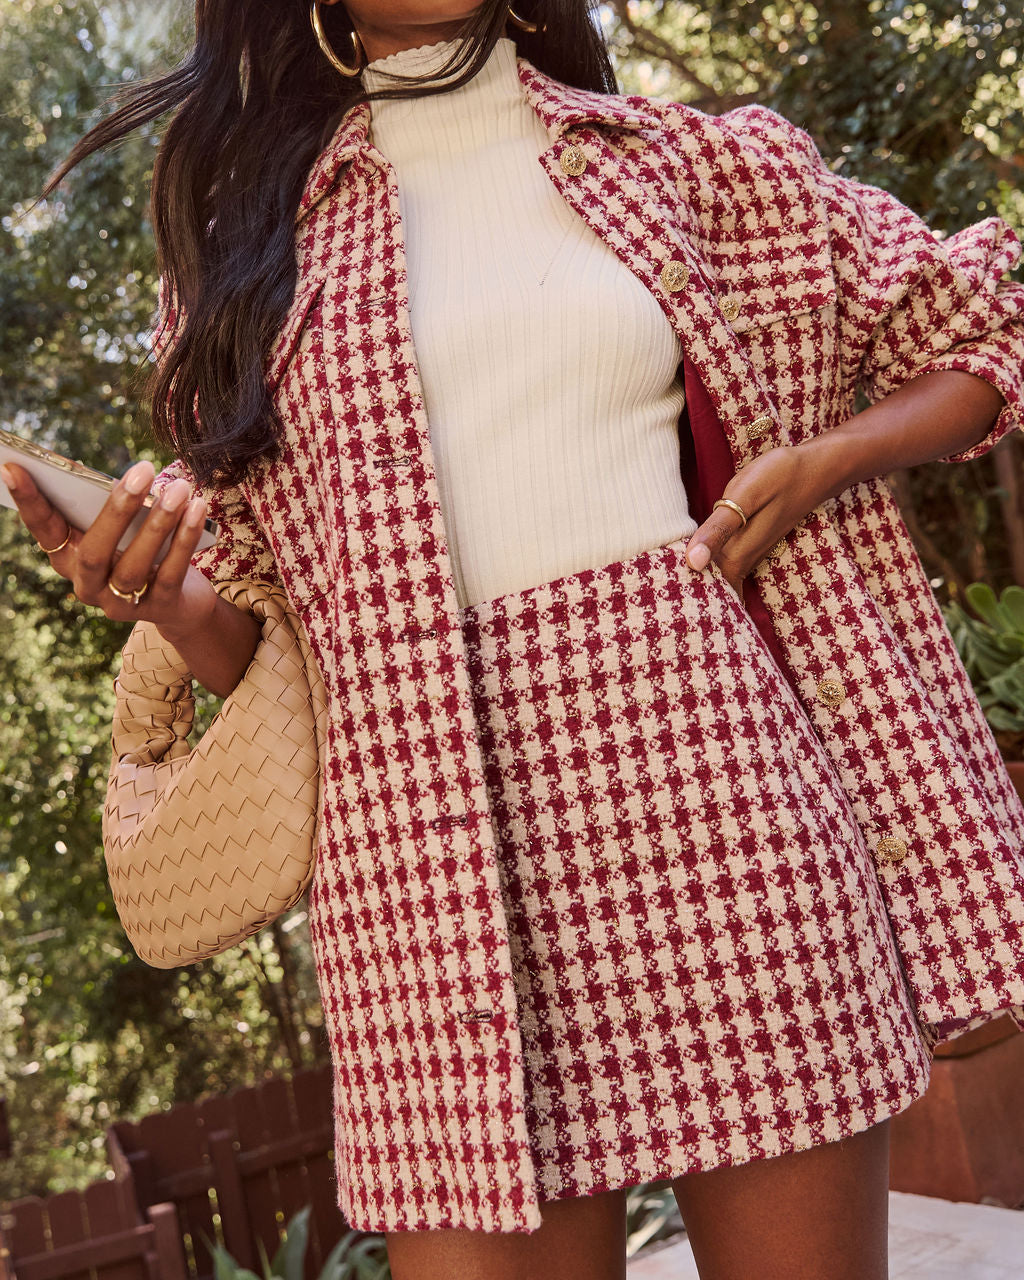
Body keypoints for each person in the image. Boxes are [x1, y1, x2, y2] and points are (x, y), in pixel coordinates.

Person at [4, 3, 1024, 1278]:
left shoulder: (693, 168)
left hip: (724, 798)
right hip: (424, 866)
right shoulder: (244, 263)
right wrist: (168, 598)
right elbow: (276, 651)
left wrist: (823, 459)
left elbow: (982, 322)